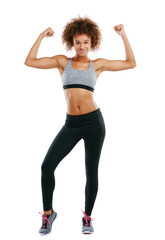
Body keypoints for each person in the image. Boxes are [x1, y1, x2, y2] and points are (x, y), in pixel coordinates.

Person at [24, 15, 136, 235]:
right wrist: (40, 36)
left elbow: (131, 63)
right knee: (47, 166)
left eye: (86, 42)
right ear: (71, 42)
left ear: (92, 42)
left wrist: (123, 36)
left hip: (94, 123)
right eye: (77, 42)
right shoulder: (62, 62)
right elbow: (30, 61)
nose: (82, 46)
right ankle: (48, 214)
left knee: (91, 172)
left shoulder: (98, 65)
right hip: (71, 124)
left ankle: (87, 217)